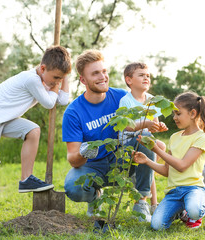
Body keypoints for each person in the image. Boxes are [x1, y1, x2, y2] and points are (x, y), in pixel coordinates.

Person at [0, 46, 72, 228]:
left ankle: (26, 179)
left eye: (60, 78)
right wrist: (57, 84)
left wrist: (65, 77)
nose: (57, 82)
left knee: (32, 130)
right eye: (55, 77)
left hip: (1, 119)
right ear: (42, 69)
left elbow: (63, 100)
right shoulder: (31, 79)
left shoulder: (45, 78)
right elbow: (50, 103)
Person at [62, 50, 156, 222]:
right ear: (83, 80)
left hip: (122, 161)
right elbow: (73, 159)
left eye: (104, 71)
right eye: (95, 73)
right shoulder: (73, 112)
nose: (102, 77)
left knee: (146, 138)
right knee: (73, 186)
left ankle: (141, 201)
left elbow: (145, 129)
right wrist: (85, 152)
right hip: (93, 167)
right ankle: (94, 197)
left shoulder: (121, 97)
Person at [133, 92, 205, 230]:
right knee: (157, 226)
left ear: (193, 113)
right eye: (174, 114)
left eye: (178, 113)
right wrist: (147, 161)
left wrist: (156, 149)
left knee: (194, 209)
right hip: (174, 192)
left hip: (193, 189)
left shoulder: (201, 138)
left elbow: (182, 166)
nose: (174, 117)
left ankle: (194, 213)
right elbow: (166, 171)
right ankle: (181, 212)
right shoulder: (174, 137)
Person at [119, 62, 168, 213]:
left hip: (145, 141)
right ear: (129, 80)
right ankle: (146, 201)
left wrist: (160, 127)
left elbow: (154, 125)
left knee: (160, 147)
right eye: (141, 75)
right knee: (150, 147)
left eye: (148, 75)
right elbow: (126, 126)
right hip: (128, 142)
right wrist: (144, 123)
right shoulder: (126, 100)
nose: (146, 78)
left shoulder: (152, 100)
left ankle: (153, 203)